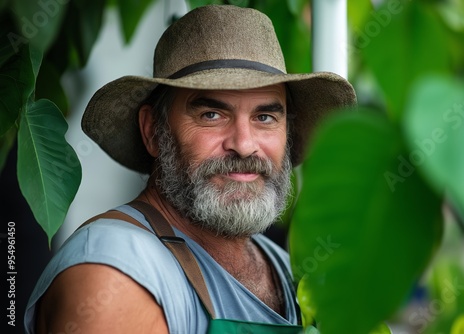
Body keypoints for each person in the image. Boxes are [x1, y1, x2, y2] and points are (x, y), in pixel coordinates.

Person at [24, 4, 355, 334]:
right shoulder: (115, 273)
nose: (244, 144)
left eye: (265, 117)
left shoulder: (280, 265)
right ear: (153, 130)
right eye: (212, 115)